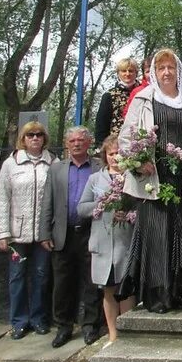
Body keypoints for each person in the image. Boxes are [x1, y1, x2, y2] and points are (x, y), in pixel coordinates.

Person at [116, 48, 182, 312]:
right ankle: (158, 296)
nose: (167, 72)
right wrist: (138, 162)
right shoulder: (144, 100)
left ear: (178, 71)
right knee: (157, 235)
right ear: (154, 73)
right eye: (161, 68)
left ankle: (179, 290)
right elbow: (126, 138)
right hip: (154, 178)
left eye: (171, 67)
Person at [39, 126, 102, 348]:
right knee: (62, 283)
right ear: (67, 144)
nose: (76, 144)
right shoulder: (56, 169)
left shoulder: (98, 167)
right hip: (62, 234)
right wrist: (44, 232)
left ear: (89, 143)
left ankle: (90, 326)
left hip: (91, 232)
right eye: (72, 140)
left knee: (91, 282)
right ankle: (63, 327)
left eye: (81, 140)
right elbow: (47, 202)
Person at [0, 121, 57, 340]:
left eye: (39, 134)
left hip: (42, 234)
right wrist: (2, 233)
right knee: (17, 278)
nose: (35, 138)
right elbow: (2, 199)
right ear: (23, 138)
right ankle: (19, 322)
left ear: (44, 138)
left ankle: (39, 319)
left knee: (42, 277)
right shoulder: (11, 164)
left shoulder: (53, 163)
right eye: (30, 135)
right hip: (17, 234)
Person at [76, 135, 136, 344]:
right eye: (110, 154)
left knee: (126, 291)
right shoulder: (95, 179)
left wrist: (129, 215)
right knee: (108, 291)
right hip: (102, 245)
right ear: (105, 156)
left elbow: (142, 209)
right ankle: (113, 334)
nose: (114, 157)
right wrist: (100, 205)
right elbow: (81, 208)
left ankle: (129, 334)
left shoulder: (133, 178)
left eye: (118, 153)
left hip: (125, 243)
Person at [95, 58, 140, 146]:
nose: (127, 74)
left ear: (136, 73)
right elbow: (102, 125)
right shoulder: (109, 95)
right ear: (118, 73)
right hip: (116, 144)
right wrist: (101, 146)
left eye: (131, 71)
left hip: (140, 140)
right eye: (124, 71)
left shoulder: (144, 92)